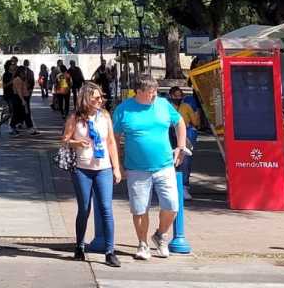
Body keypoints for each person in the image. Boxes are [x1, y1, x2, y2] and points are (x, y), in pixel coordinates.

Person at [112, 76, 189, 260]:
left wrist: (180, 146)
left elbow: (179, 122)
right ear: (138, 92)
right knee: (139, 209)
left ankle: (161, 235)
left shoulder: (163, 104)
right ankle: (143, 244)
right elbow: (113, 138)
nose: (154, 95)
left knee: (172, 205)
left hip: (164, 166)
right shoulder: (123, 109)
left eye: (155, 91)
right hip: (136, 169)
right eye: (150, 92)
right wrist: (118, 165)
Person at [62, 81, 122, 267]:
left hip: (103, 167)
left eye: (101, 97)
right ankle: (79, 246)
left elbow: (111, 141)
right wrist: (76, 143)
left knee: (106, 208)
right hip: (82, 168)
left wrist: (116, 167)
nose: (100, 100)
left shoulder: (104, 116)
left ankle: (110, 251)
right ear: (86, 98)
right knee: (84, 208)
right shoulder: (76, 117)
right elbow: (65, 140)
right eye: (96, 97)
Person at [169, 86, 200, 200]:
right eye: (175, 95)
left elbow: (195, 121)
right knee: (170, 159)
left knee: (185, 160)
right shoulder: (167, 107)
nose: (178, 97)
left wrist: (197, 113)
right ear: (170, 96)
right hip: (169, 134)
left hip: (184, 134)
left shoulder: (186, 106)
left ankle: (184, 186)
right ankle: (171, 185)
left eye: (180, 95)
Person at [0, 60, 21, 136]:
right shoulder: (6, 74)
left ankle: (1, 124)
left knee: (14, 112)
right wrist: (11, 82)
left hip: (15, 94)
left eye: (14, 64)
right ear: (8, 66)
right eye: (12, 64)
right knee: (13, 112)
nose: (13, 66)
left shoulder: (14, 74)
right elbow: (4, 86)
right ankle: (12, 127)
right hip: (9, 95)